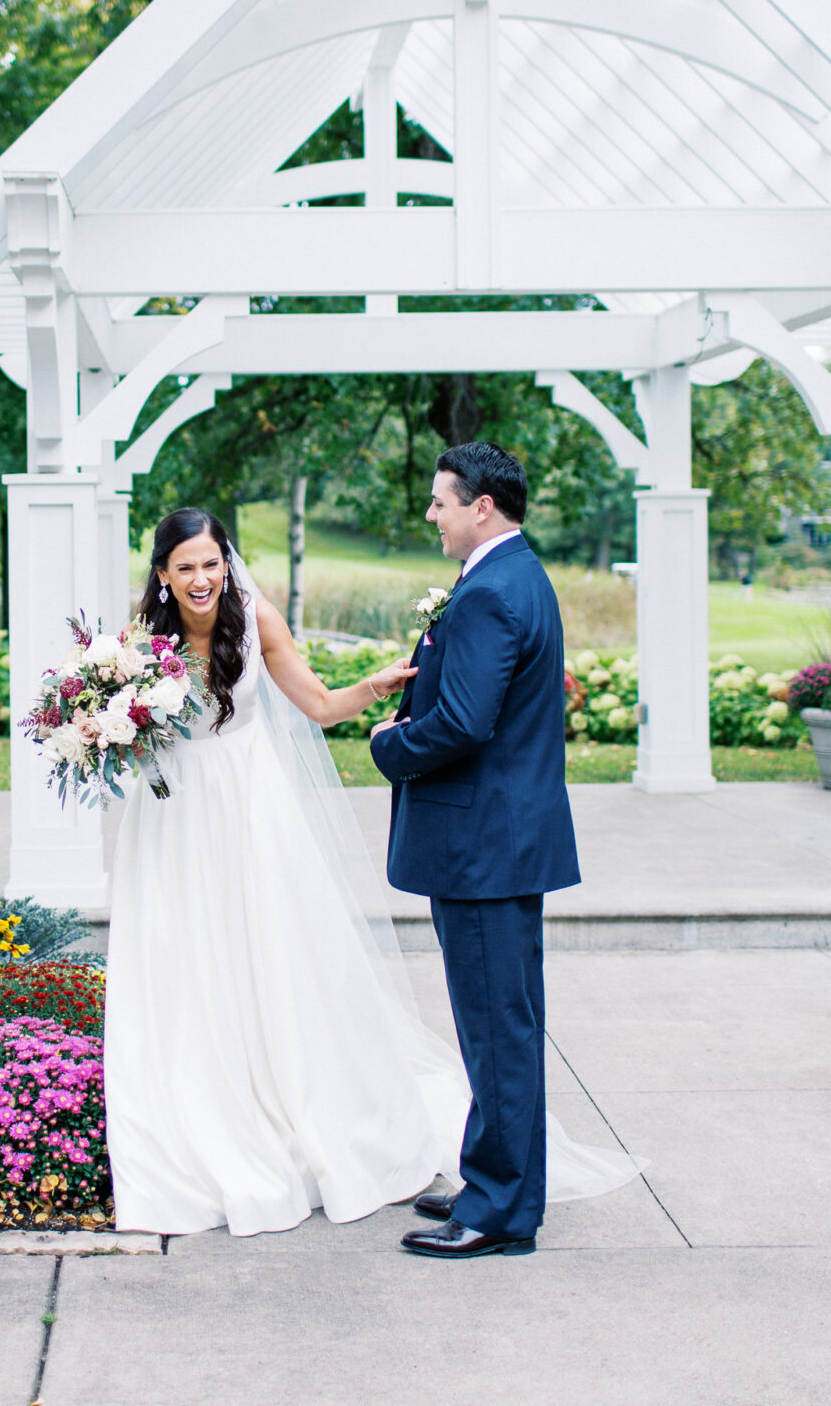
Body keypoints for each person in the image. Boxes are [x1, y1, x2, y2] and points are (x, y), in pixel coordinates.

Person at [104, 503, 643, 1240]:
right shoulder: (137, 648)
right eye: (186, 567)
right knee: (183, 964)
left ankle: (313, 1116)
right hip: (174, 826)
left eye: (211, 562)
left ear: (225, 564)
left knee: (270, 961)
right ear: (162, 576)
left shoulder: (255, 621)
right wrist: (96, 732)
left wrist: (379, 688)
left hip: (251, 819)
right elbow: (126, 738)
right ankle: (195, 1111)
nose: (202, 578)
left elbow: (321, 705)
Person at [370, 442, 585, 1259]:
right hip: (500, 841)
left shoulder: (494, 591)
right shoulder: (512, 574)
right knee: (500, 1025)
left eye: (440, 501)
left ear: (481, 506)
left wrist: (392, 743)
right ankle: (497, 1181)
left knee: (496, 1029)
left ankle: (499, 1212)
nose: (432, 514)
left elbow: (463, 722)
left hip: (485, 845)